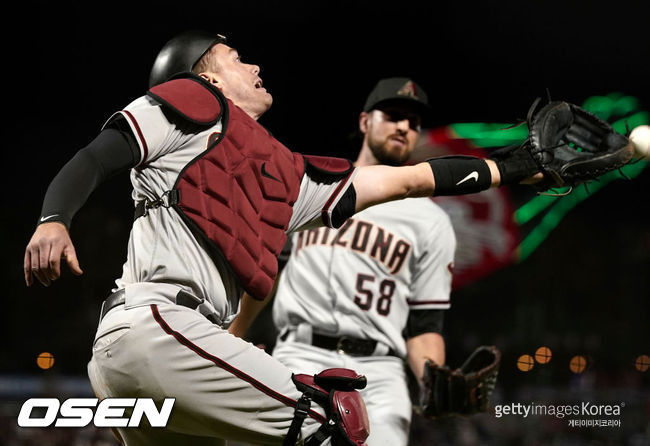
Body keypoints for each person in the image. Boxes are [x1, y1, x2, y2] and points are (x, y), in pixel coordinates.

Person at [23, 31, 541, 446]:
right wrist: (54, 217)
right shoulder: (186, 107)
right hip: (157, 325)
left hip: (163, 349)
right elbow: (97, 156)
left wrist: (516, 166)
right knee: (331, 422)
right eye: (236, 57)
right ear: (206, 75)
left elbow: (408, 180)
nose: (253, 66)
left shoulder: (284, 181)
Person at [238, 78, 453, 446]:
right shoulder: (319, 187)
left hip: (380, 375)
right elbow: (266, 273)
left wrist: (435, 380)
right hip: (296, 357)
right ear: (365, 121)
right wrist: (233, 336)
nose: (404, 126)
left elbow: (425, 324)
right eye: (394, 115)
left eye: (414, 122)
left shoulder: (432, 221)